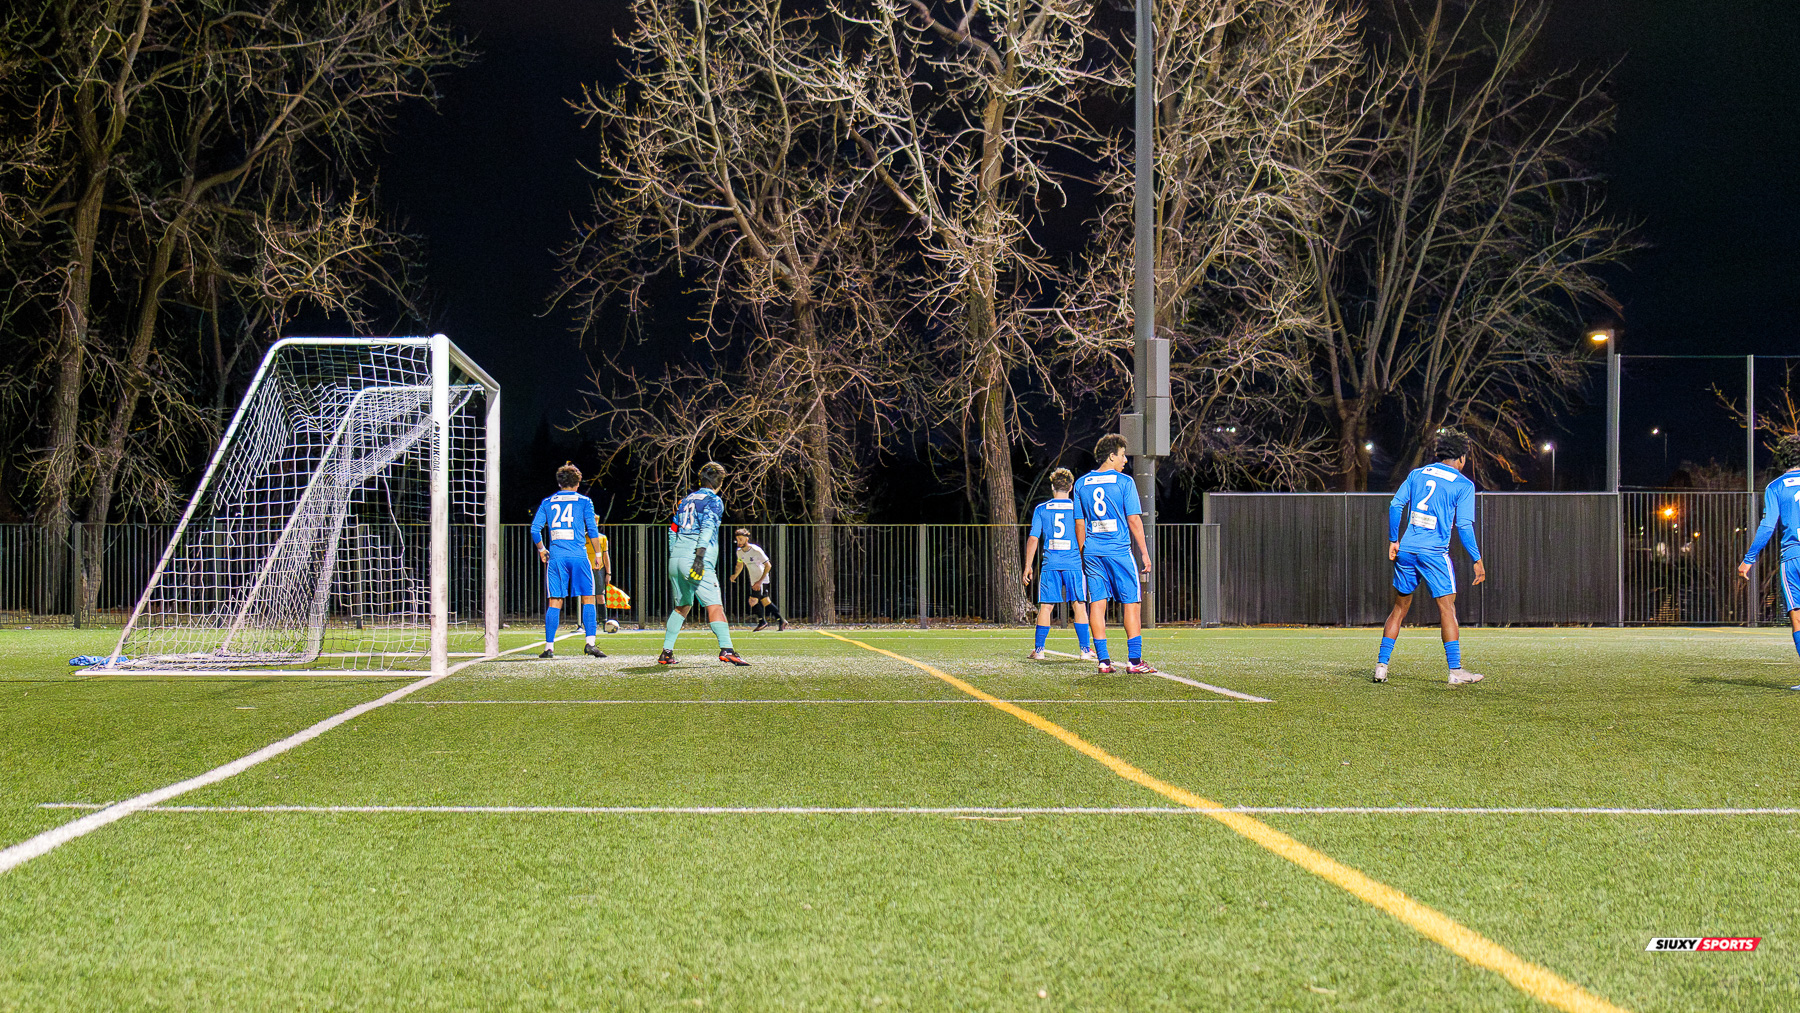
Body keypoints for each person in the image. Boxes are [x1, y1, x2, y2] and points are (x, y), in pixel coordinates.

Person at [1376, 429, 1487, 685]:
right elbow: (1464, 525)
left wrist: (1394, 539)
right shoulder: (1463, 484)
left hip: (1407, 550)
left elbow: (1395, 504)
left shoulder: (1417, 474)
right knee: (1447, 609)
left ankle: (1381, 667)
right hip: (1434, 553)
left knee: (1399, 609)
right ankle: (1456, 671)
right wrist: (1476, 559)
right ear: (1460, 457)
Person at [1073, 434, 1156, 675]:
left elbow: (1079, 523)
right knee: (1132, 602)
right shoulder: (1125, 482)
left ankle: (1103, 661)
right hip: (1118, 550)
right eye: (1122, 455)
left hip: (1092, 551)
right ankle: (1134, 661)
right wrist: (1145, 553)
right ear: (1111, 456)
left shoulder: (1081, 484)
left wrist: (1084, 553)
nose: (1125, 460)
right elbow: (1134, 520)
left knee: (1097, 604)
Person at [660, 462, 750, 666]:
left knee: (682, 606)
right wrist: (699, 557)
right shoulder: (714, 501)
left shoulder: (685, 501)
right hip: (696, 558)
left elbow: (672, 530)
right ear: (720, 482)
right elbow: (707, 528)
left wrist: (676, 554)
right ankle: (727, 649)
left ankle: (666, 652)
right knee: (715, 605)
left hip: (676, 559)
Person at [1737, 434, 1800, 688]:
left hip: (1793, 558)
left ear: (1782, 458)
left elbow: (1767, 526)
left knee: (1797, 617)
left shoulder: (1775, 487)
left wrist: (1748, 559)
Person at [530, 464, 606, 660]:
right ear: (578, 483)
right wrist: (598, 555)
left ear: (559, 482)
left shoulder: (548, 502)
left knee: (555, 600)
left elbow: (535, 529)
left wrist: (542, 549)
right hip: (579, 556)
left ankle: (549, 647)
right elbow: (592, 530)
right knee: (588, 597)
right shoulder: (584, 501)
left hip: (557, 557)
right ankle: (590, 644)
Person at [1021, 468, 1095, 661]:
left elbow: (1033, 538)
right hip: (1074, 563)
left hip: (1050, 564)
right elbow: (1085, 534)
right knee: (1079, 605)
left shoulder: (1042, 509)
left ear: (1052, 487)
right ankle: (1085, 650)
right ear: (1071, 487)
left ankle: (1039, 650)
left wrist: (1028, 565)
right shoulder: (1078, 509)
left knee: (1046, 606)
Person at [730, 528, 786, 632]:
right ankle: (781, 620)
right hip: (754, 580)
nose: (739, 542)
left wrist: (760, 581)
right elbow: (740, 564)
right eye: (737, 539)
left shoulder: (756, 550)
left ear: (747, 539)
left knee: (752, 601)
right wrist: (735, 575)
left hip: (761, 580)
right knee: (766, 602)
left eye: (741, 539)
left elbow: (768, 565)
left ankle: (762, 621)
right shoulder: (739, 552)